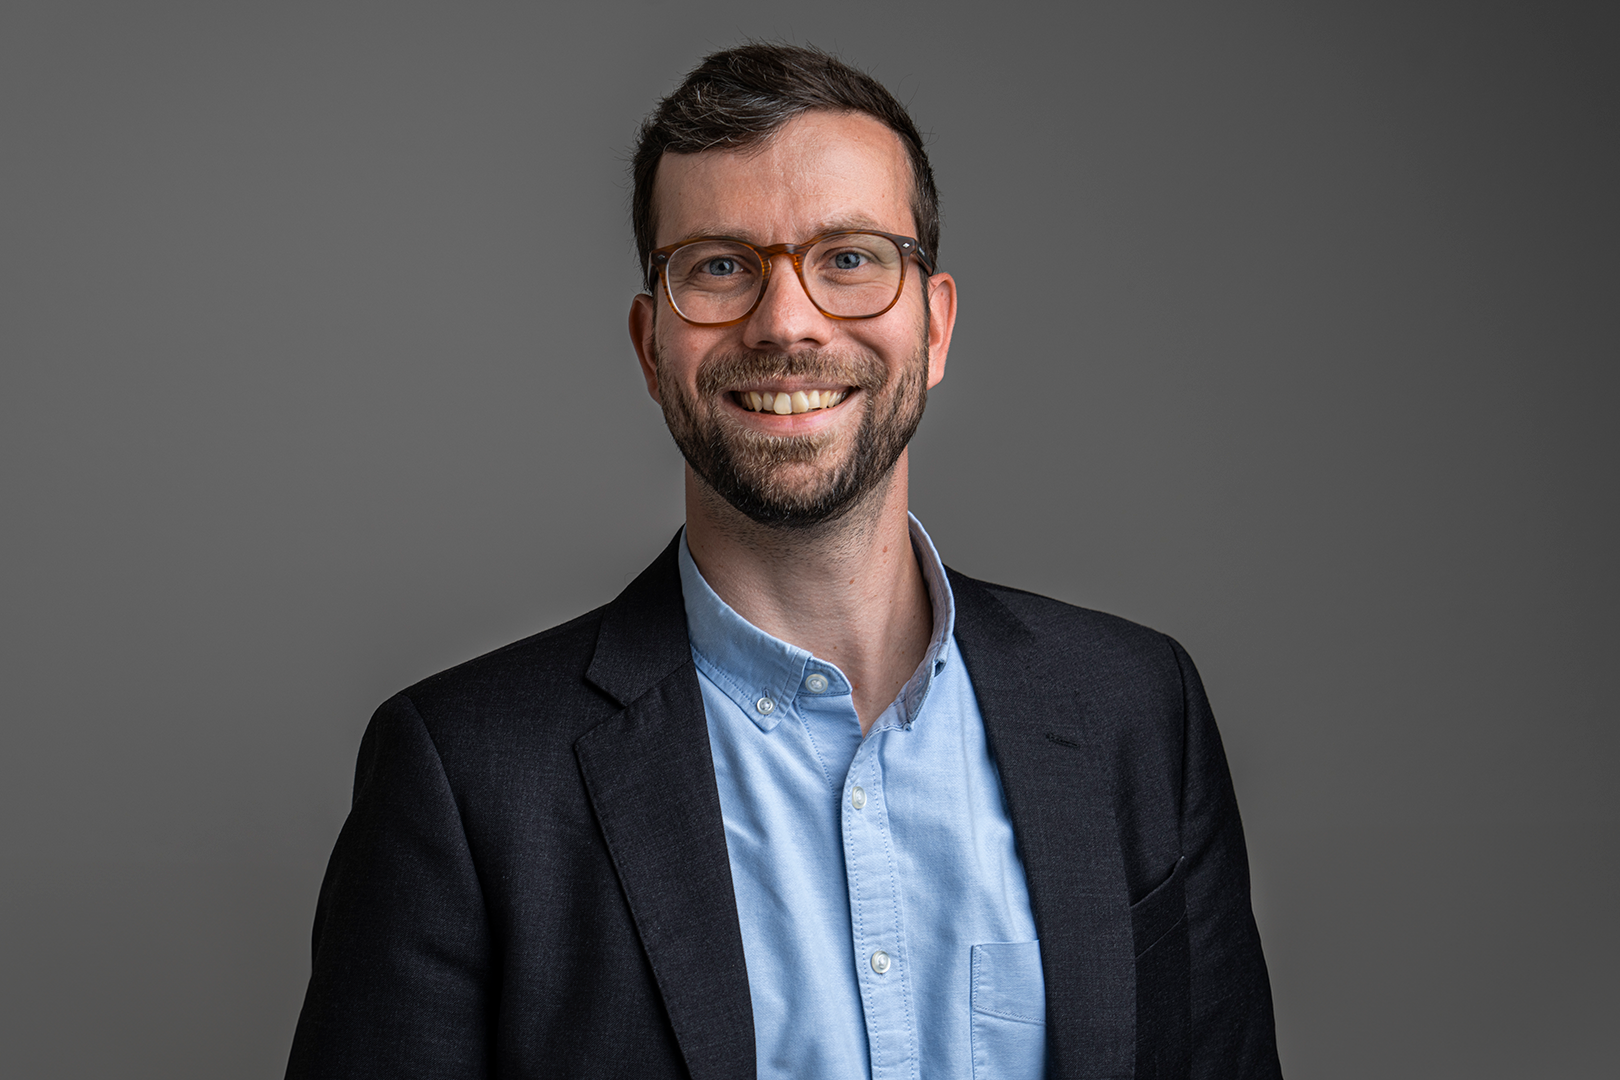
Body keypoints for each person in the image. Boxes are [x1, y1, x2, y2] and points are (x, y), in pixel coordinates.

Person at [285, 43, 1282, 1080]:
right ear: (650, 346)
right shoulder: (466, 780)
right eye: (720, 266)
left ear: (935, 326)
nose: (787, 323)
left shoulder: (1135, 713)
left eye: (849, 258)